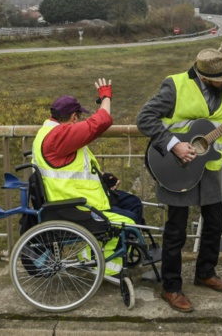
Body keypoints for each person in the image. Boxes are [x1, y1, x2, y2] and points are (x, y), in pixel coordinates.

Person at [137, 48, 222, 313]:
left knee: (215, 222)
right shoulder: (175, 86)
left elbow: (221, 123)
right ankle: (171, 288)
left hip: (207, 167)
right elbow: (145, 118)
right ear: (205, 77)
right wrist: (175, 145)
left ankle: (205, 272)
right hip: (175, 167)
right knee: (176, 231)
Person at [32, 79, 144, 277]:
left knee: (133, 203)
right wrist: (105, 97)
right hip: (78, 205)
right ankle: (102, 263)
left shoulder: (48, 132)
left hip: (77, 197)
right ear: (74, 117)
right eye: (78, 116)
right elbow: (101, 121)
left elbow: (73, 166)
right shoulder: (60, 136)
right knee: (131, 220)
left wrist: (103, 177)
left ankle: (119, 252)